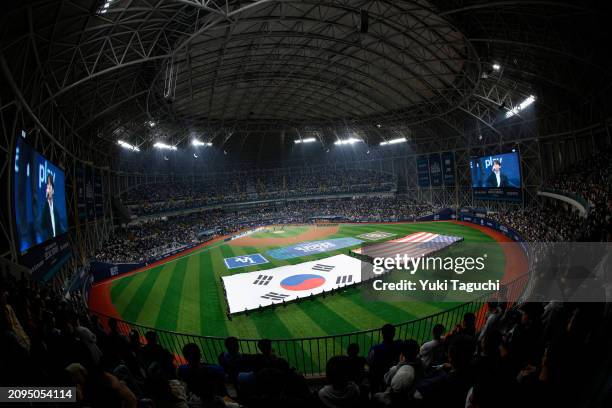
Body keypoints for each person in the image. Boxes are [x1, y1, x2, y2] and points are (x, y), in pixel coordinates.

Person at [40, 173, 64, 240]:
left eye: (50, 185)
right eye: (47, 186)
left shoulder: (56, 210)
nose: (48, 188)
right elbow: (42, 227)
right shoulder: (43, 208)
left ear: (53, 191)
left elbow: (60, 229)